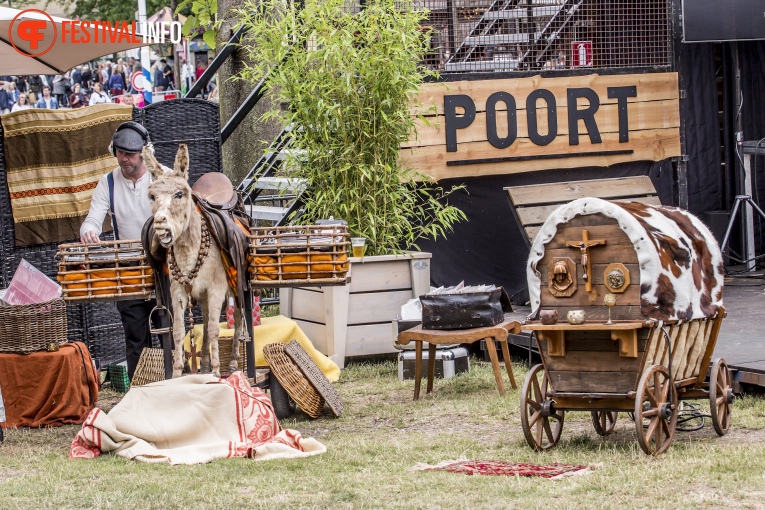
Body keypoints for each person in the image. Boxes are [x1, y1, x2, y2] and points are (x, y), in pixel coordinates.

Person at [79, 122, 164, 381]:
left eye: (131, 153)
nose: (125, 159)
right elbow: (93, 218)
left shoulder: (164, 177)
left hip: (164, 268)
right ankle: (141, 394)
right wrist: (88, 230)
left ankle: (175, 390)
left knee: (169, 331)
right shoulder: (108, 183)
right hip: (128, 270)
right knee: (135, 337)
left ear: (145, 152)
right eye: (120, 153)